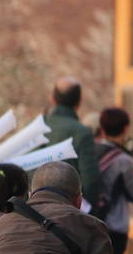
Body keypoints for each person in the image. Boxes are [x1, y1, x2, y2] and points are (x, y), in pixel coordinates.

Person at [93, 107, 133, 254]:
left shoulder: (90, 151)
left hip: (91, 221)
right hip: (115, 226)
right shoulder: (124, 161)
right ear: (125, 129)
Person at [43, 77, 100, 206]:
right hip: (67, 210)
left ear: (52, 99)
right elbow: (90, 180)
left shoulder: (37, 127)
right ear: (79, 102)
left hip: (33, 211)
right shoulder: (82, 132)